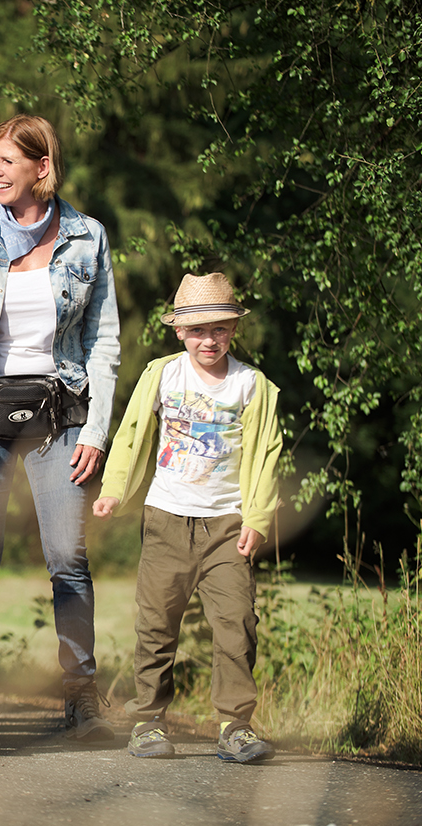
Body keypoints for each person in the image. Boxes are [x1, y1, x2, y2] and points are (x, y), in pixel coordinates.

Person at [0, 113, 121, 742]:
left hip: (60, 416)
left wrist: (95, 431)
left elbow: (103, 341)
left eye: (6, 160)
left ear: (42, 166)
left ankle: (81, 695)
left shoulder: (87, 237)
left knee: (68, 556)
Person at [93, 273, 282, 763]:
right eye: (198, 330)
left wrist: (257, 518)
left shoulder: (251, 385)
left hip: (226, 525)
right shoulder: (162, 375)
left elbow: (266, 455)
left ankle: (235, 726)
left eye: (219, 329)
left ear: (233, 330)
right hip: (167, 520)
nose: (209, 340)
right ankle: (149, 722)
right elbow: (132, 432)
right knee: (156, 625)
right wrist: (114, 491)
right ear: (180, 332)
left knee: (236, 624)